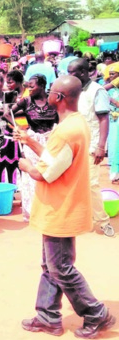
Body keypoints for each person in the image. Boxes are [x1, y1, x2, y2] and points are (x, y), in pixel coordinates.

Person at [16, 75, 116, 339]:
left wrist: (26, 166)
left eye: (51, 91)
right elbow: (57, 158)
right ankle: (47, 316)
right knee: (51, 266)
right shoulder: (76, 122)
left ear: (58, 98)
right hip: (60, 207)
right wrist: (31, 142)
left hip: (60, 209)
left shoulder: (66, 131)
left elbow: (47, 173)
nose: (47, 94)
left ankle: (96, 313)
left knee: (60, 267)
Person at [67, 58, 114, 237]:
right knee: (72, 182)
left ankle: (103, 222)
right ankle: (79, 218)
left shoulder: (97, 91)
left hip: (91, 144)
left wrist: (101, 147)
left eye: (73, 73)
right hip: (72, 144)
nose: (69, 76)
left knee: (92, 183)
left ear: (83, 73)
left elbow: (103, 119)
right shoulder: (73, 90)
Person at [7, 74, 58, 221]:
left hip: (51, 140)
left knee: (50, 171)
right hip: (31, 140)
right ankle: (32, 211)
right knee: (31, 176)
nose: (29, 89)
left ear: (42, 86)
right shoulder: (26, 101)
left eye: (32, 86)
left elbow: (61, 118)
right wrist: (19, 128)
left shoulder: (52, 101)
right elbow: (7, 113)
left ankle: (49, 209)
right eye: (28, 86)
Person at [107, 66, 119, 183]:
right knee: (114, 144)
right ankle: (114, 171)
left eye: (113, 74)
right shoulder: (110, 90)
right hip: (112, 120)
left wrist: (112, 100)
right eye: (109, 74)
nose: (111, 77)